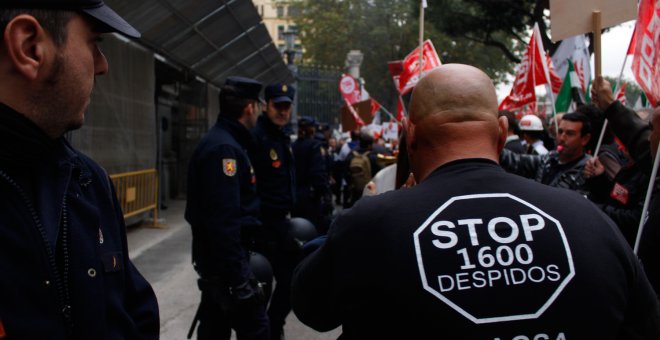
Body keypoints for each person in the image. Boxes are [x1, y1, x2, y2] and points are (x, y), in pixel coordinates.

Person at [291, 64, 660, 339]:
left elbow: (312, 309)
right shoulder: (587, 220)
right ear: (502, 132)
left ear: (410, 136)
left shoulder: (371, 224)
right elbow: (645, 324)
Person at [0, 1, 159, 338]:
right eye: (94, 43)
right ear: (30, 47)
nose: (102, 66)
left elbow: (134, 309)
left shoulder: (86, 179)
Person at [185, 77, 269, 339]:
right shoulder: (224, 149)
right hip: (226, 270)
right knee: (256, 330)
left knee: (214, 329)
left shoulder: (227, 142)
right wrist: (240, 279)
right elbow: (225, 222)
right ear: (250, 108)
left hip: (220, 267)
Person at [591, 75, 660, 298]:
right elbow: (618, 196)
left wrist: (590, 209)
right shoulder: (636, 168)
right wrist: (599, 181)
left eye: (652, 130)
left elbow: (632, 219)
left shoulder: (647, 175)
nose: (648, 138)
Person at [249, 82, 297, 340]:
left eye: (286, 106)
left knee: (290, 281)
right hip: (262, 225)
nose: (282, 111)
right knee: (261, 286)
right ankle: (263, 330)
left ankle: (273, 323)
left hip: (281, 224)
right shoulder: (257, 137)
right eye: (277, 106)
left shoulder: (282, 136)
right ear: (265, 105)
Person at [500, 112, 592, 194]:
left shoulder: (589, 170)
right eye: (560, 132)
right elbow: (517, 161)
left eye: (570, 134)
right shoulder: (549, 158)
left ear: (585, 139)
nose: (562, 138)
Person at [292, 116, 329, 232]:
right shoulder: (314, 145)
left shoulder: (293, 146)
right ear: (311, 129)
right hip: (310, 196)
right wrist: (323, 191)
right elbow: (317, 173)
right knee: (312, 230)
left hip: (296, 195)